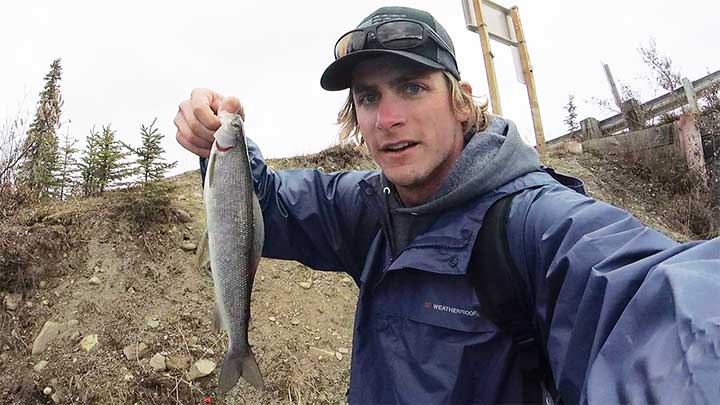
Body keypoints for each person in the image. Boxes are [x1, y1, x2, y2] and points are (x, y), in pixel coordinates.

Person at [175, 6, 720, 404]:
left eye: (411, 87)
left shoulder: (533, 224)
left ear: (459, 101)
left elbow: (649, 299)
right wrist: (222, 145)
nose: (387, 118)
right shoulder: (369, 208)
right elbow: (264, 209)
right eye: (368, 97)